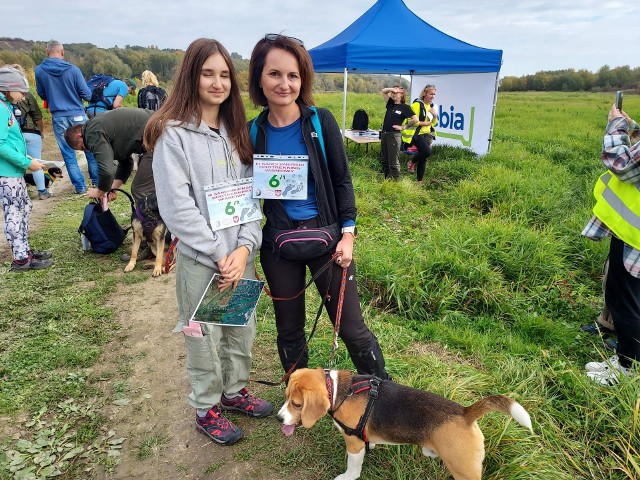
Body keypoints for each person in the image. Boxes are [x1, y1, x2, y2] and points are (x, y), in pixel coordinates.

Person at [145, 38, 272, 446]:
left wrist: (244, 248)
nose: (217, 83)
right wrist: (220, 253)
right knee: (203, 334)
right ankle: (206, 407)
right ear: (191, 77)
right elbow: (177, 208)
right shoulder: (174, 135)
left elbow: (254, 197)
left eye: (224, 75)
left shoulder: (238, 132)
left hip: (241, 258)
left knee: (240, 329)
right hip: (204, 261)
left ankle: (234, 393)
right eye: (207, 73)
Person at [248, 34, 391, 380]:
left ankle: (381, 396)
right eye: (275, 74)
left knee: (351, 329)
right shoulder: (253, 132)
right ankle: (301, 396)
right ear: (259, 79)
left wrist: (348, 235)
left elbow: (342, 180)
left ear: (303, 79)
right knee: (290, 331)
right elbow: (246, 195)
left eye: (293, 75)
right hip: (279, 246)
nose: (285, 84)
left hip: (329, 242)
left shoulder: (319, 122)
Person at [583, 103, 640, 385]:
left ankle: (626, 370)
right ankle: (625, 362)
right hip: (631, 236)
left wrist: (616, 126)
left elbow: (621, 164)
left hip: (635, 240)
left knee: (626, 303)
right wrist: (634, 127)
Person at [0, 67, 53, 271]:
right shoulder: (0, 108)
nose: (23, 95)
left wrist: (26, 158)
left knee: (24, 209)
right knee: (14, 213)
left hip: (15, 171)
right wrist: (25, 163)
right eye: (21, 91)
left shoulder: (5, 106)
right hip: (7, 174)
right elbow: (0, 143)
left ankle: (24, 250)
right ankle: (20, 259)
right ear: (8, 87)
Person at [35, 39, 98, 194]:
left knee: (68, 154)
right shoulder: (74, 70)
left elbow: (42, 93)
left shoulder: (40, 71)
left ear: (46, 52)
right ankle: (97, 183)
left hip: (58, 116)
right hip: (78, 114)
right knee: (90, 149)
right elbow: (87, 95)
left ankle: (80, 187)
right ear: (62, 52)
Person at [63, 108, 154, 202]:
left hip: (158, 135)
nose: (87, 149)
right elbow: (126, 163)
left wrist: (99, 192)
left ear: (79, 136)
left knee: (140, 189)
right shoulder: (100, 127)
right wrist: (112, 188)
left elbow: (106, 171)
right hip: (158, 129)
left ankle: (153, 216)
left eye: (82, 147)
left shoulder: (91, 133)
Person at [6, 64, 50, 200]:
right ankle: (42, 191)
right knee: (36, 163)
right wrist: (41, 131)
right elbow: (37, 116)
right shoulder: (28, 95)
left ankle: (19, 192)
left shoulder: (5, 103)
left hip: (14, 134)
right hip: (31, 131)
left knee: (15, 163)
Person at [380, 86, 419, 180]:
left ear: (401, 94)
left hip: (394, 135)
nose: (393, 93)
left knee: (393, 161)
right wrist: (392, 89)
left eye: (396, 92)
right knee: (384, 160)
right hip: (385, 134)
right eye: (393, 92)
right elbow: (383, 91)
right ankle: (387, 180)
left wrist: (403, 127)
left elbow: (415, 119)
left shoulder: (404, 107)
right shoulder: (391, 104)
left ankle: (395, 182)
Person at [401, 84, 438, 183]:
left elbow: (434, 123)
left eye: (434, 94)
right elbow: (412, 121)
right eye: (431, 94)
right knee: (426, 152)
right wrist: (425, 123)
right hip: (416, 134)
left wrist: (434, 116)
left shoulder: (431, 106)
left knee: (424, 158)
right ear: (424, 93)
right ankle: (412, 161)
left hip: (427, 135)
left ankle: (419, 181)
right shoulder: (417, 105)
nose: (433, 96)